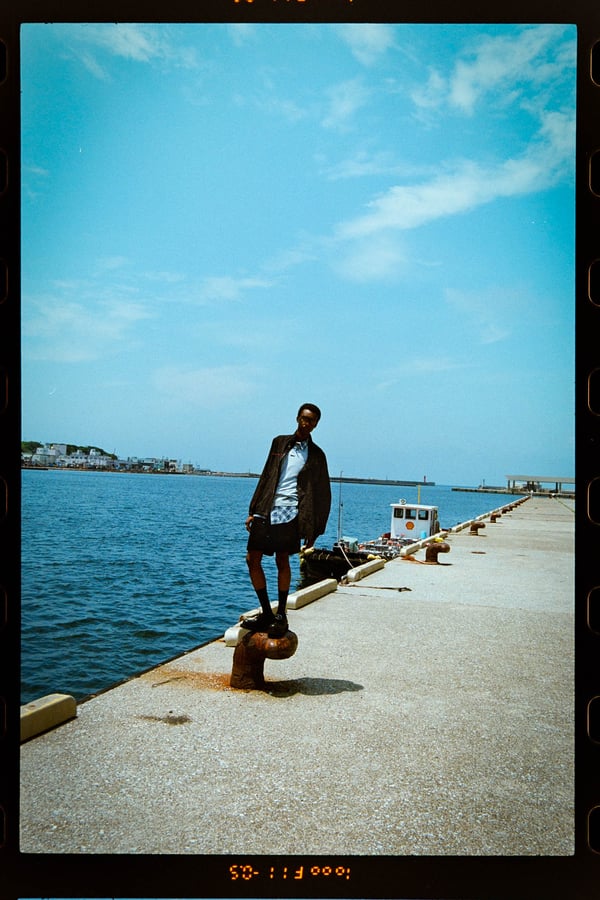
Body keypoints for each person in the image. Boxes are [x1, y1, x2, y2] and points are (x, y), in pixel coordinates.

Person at [243, 403, 331, 638]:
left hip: (291, 511)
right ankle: (266, 613)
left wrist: (315, 530)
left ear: (316, 424)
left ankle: (281, 614)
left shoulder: (317, 455)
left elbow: (323, 494)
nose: (306, 423)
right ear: (297, 418)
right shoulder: (279, 443)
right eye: (304, 418)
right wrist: (253, 509)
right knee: (252, 559)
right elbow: (266, 475)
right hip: (266, 508)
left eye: (311, 420)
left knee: (282, 560)